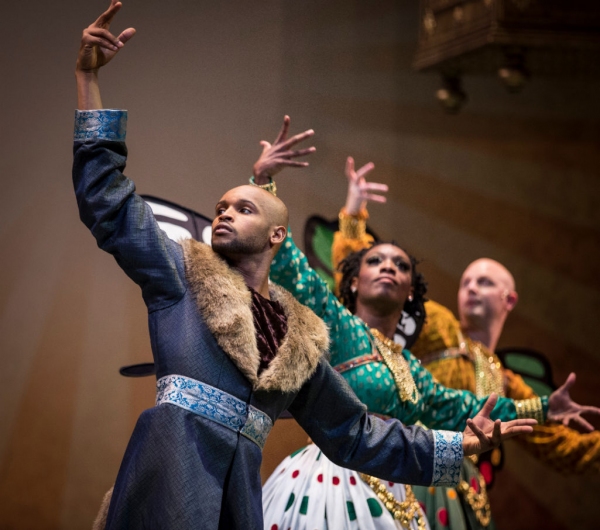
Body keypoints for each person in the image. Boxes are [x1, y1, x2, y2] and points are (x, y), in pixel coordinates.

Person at [73, 3, 532, 529]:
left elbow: (355, 433)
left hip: (236, 499)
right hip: (166, 481)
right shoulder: (181, 273)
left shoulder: (299, 341)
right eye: (220, 206)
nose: (223, 213)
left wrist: (457, 445)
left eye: (243, 208)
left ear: (276, 235)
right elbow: (107, 201)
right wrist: (87, 79)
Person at [254, 155, 600, 530]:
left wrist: (545, 407)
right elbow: (292, 264)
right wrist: (264, 185)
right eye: (376, 261)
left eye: (402, 266)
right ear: (353, 281)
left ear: (410, 294)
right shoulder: (341, 324)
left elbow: (460, 406)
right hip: (331, 483)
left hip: (405, 485)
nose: (389, 267)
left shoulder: (412, 368)